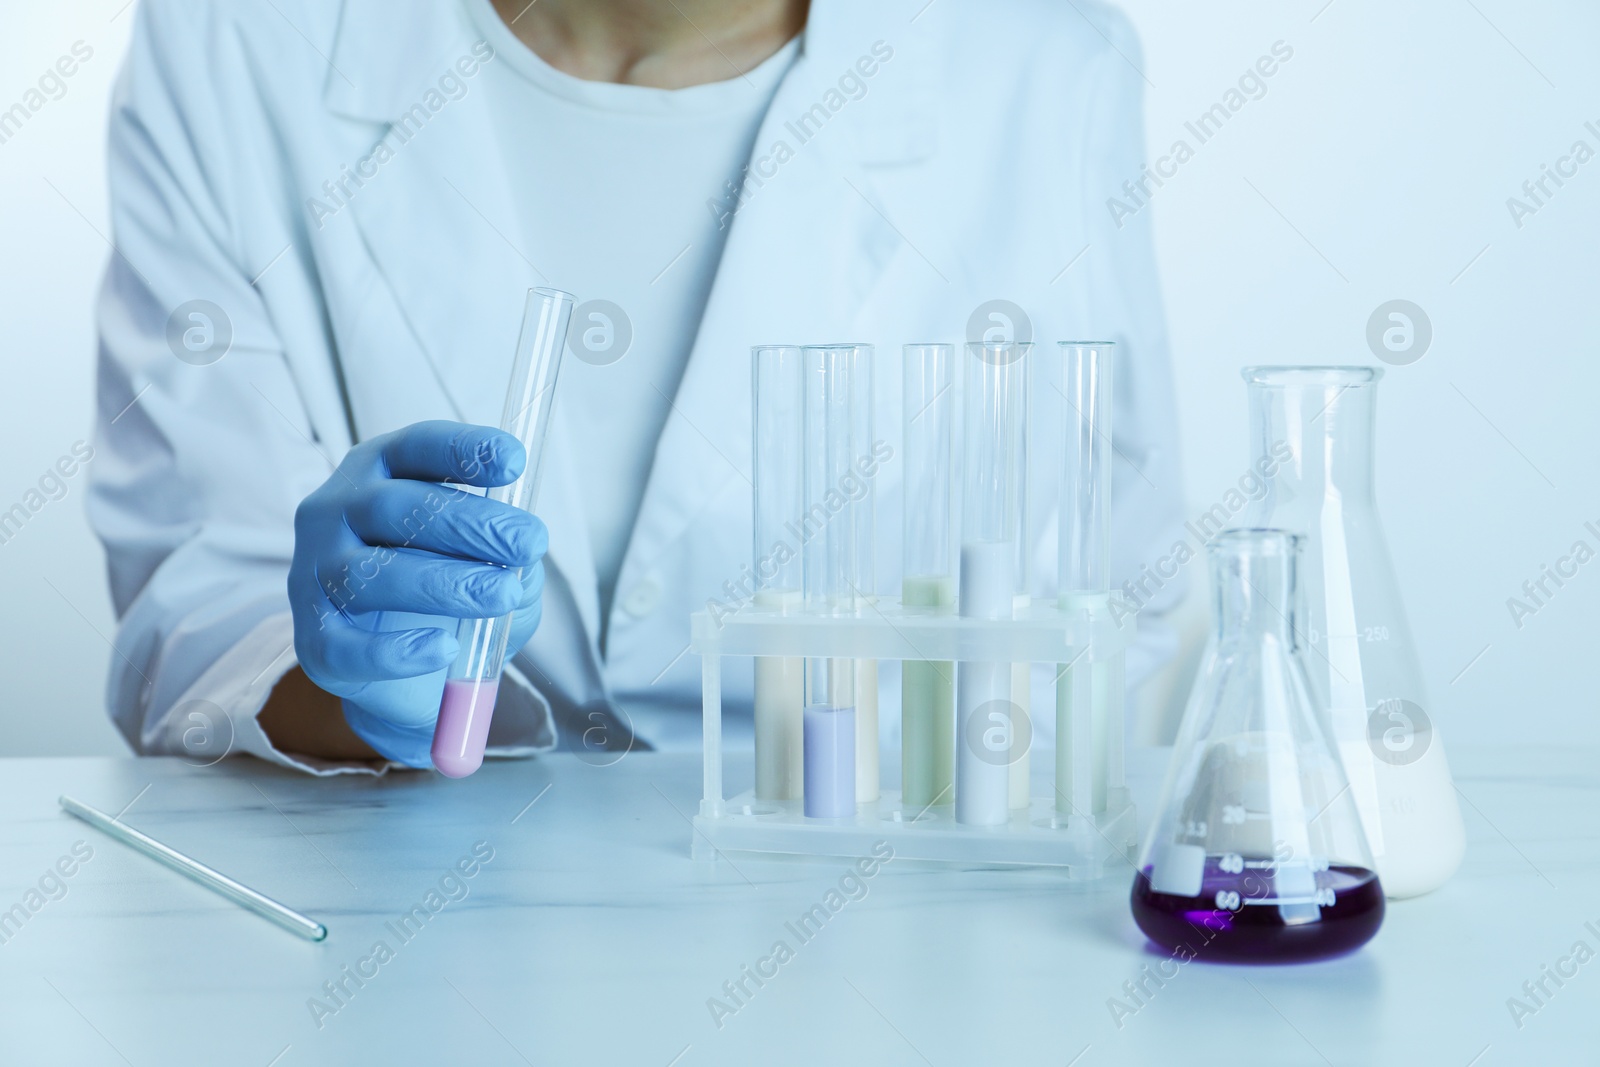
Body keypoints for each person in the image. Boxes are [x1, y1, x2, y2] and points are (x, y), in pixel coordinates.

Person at [90, 0, 1186, 773]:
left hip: (881, 923)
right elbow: (191, 617)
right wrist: (352, 684)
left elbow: (1124, 587)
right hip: (403, 927)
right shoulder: (235, 37)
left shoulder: (1047, 70)